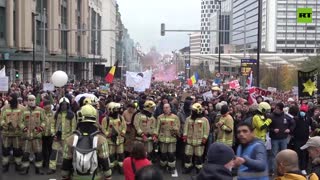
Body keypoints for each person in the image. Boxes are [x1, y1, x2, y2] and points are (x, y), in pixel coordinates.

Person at [61, 102, 112, 180]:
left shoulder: (70, 139)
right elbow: (105, 161)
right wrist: (108, 176)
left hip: (75, 177)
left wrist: (65, 176)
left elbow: (66, 162)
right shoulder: (101, 139)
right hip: (95, 177)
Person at [47, 97, 76, 174]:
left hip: (67, 138)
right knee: (54, 152)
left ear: (68, 105)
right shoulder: (56, 114)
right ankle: (52, 168)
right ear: (60, 105)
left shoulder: (71, 115)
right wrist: (53, 134)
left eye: (65, 105)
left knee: (67, 154)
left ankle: (67, 167)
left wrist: (70, 138)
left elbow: (73, 128)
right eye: (62, 105)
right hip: (57, 137)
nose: (63, 106)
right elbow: (52, 125)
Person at [20, 94, 46, 175]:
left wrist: (41, 128)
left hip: (36, 136)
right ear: (27, 101)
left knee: (38, 153)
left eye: (33, 100)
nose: (31, 102)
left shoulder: (40, 110)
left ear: (35, 100)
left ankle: (38, 169)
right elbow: (20, 122)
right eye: (30, 100)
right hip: (27, 136)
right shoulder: (23, 110)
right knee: (25, 154)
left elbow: (44, 121)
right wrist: (23, 128)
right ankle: (25, 169)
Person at [182, 103, 210, 174]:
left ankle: (199, 169)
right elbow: (185, 129)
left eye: (193, 110)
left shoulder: (204, 120)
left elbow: (206, 131)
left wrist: (204, 140)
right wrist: (185, 138)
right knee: (187, 155)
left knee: (199, 157)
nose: (192, 111)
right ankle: (188, 167)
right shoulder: (188, 119)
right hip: (189, 141)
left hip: (199, 142)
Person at [0, 93, 25, 172]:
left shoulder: (22, 108)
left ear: (14, 98)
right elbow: (1, 118)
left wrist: (18, 125)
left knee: (17, 150)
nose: (9, 100)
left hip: (17, 134)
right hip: (6, 134)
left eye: (10, 98)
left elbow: (24, 120)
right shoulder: (5, 108)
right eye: (8, 98)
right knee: (5, 151)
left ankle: (18, 165)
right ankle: (5, 166)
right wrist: (5, 125)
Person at [269, 102, 295, 173]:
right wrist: (273, 130)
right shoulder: (271, 116)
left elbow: (293, 123)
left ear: (281, 109)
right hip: (274, 139)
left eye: (277, 108)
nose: (275, 109)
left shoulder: (286, 116)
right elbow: (267, 127)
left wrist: (289, 129)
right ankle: (273, 170)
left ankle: (284, 170)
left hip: (284, 138)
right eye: (275, 107)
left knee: (284, 154)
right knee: (274, 154)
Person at [101, 102, 127, 174]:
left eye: (118, 110)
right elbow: (103, 128)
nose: (117, 111)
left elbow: (124, 126)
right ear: (111, 110)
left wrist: (123, 132)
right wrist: (107, 134)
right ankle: (112, 167)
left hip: (120, 140)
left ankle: (121, 168)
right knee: (111, 154)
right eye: (116, 110)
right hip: (110, 141)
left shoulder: (121, 118)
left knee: (121, 154)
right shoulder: (106, 119)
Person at [154, 103, 180, 173]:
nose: (165, 109)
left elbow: (178, 127)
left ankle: (171, 167)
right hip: (162, 139)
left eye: (167, 107)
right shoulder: (159, 117)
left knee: (171, 154)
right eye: (164, 108)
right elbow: (157, 128)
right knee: (163, 154)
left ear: (170, 108)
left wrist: (175, 129)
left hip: (172, 139)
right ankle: (163, 166)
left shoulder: (175, 117)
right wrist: (155, 136)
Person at [42, 100, 54, 168]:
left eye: (48, 105)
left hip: (50, 134)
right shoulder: (41, 113)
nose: (47, 106)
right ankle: (44, 161)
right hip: (43, 134)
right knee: (44, 149)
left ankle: (50, 162)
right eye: (46, 105)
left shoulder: (53, 113)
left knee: (50, 149)